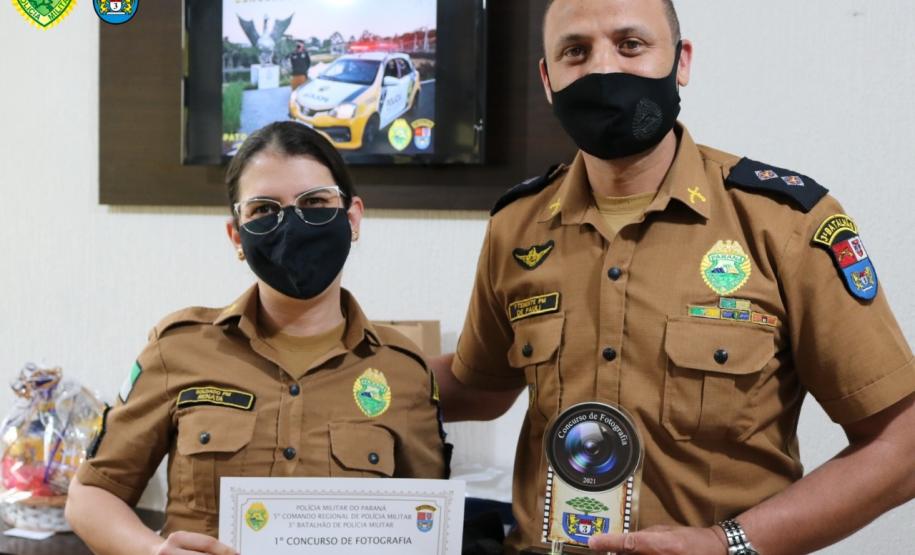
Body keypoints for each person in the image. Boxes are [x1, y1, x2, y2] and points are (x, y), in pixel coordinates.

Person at [431, 1, 915, 554]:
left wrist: (725, 542)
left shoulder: (785, 223)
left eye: (631, 45)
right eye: (576, 52)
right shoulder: (516, 226)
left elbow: (901, 446)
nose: (602, 69)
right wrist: (353, 366)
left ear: (681, 61)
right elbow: (479, 386)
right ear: (548, 79)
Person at [66, 121, 449, 555]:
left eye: (315, 201)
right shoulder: (177, 348)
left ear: (353, 217)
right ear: (237, 236)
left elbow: (426, 522)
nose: (292, 222)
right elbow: (91, 495)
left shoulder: (404, 371)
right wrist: (154, 552)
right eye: (264, 209)